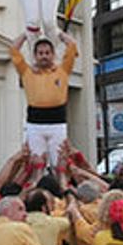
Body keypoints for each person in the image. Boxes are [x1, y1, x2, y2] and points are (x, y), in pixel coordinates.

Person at [10, 30, 77, 172]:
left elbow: (72, 46)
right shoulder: (26, 71)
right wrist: (26, 33)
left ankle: (60, 189)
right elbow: (13, 49)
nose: (44, 56)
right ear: (35, 56)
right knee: (36, 162)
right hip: (35, 123)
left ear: (53, 55)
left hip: (58, 122)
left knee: (60, 162)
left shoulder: (63, 70)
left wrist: (57, 32)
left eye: (47, 53)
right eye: (40, 53)